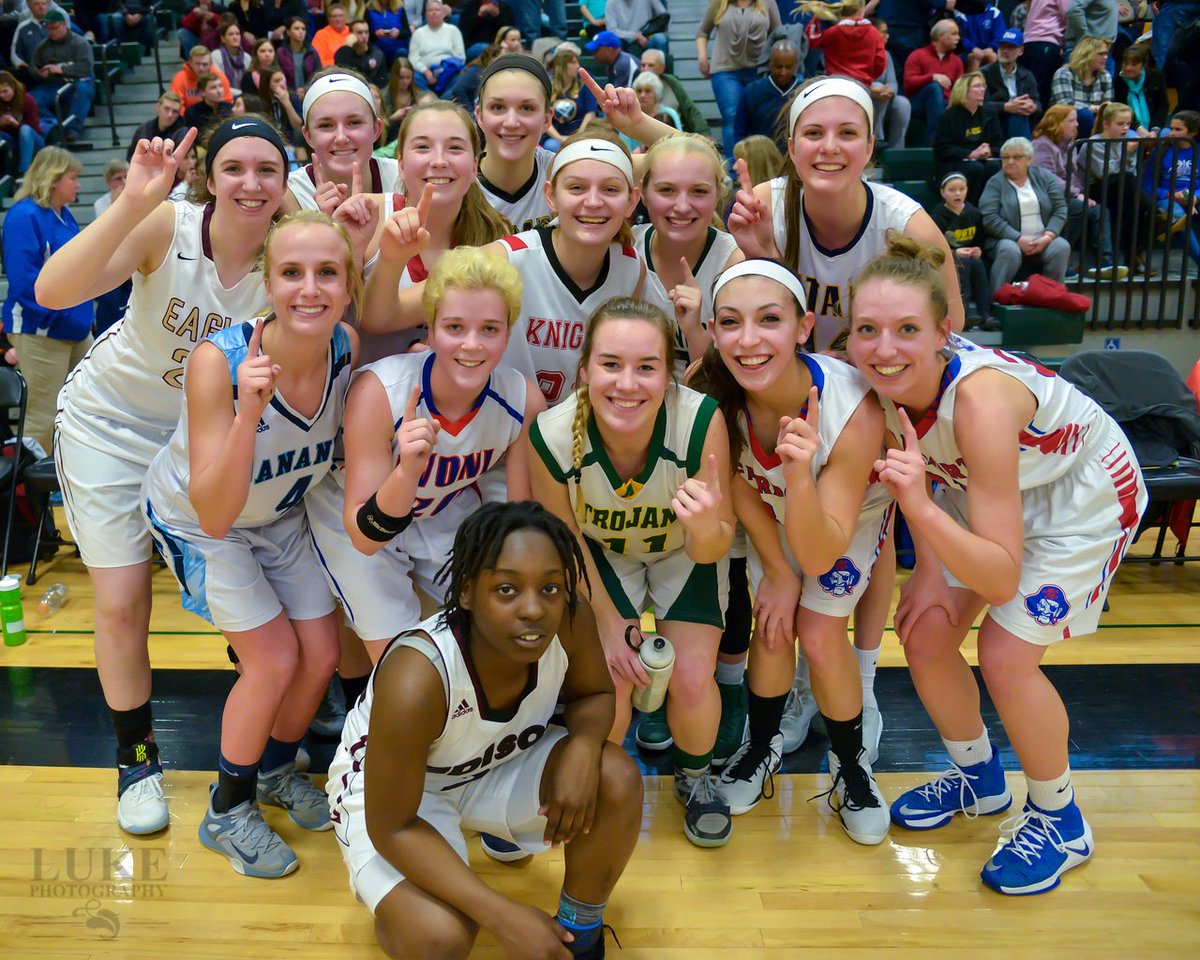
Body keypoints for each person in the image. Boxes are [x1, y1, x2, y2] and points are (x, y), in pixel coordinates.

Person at [847, 234, 1146, 895]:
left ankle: (1061, 819)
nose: (884, 348)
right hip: (986, 490)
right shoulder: (880, 386)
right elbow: (932, 476)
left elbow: (999, 573)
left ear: (943, 334)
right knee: (925, 633)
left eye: (906, 329)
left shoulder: (980, 403)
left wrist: (922, 517)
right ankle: (979, 779)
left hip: (1080, 499)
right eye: (867, 329)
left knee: (1006, 655)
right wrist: (928, 570)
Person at [35, 119, 288, 838]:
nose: (250, 183)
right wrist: (132, 202)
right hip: (111, 426)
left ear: (285, 181)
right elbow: (53, 290)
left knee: (250, 599)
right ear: (208, 175)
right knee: (122, 602)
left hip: (207, 437)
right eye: (233, 168)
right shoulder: (167, 224)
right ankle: (137, 761)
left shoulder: (290, 251)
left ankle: (265, 746)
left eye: (266, 170)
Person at [326, 499, 642, 960]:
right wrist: (503, 915)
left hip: (491, 764)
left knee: (614, 776)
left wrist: (584, 744)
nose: (534, 608)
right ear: (468, 592)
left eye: (550, 588)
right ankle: (396, 905)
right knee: (438, 937)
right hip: (395, 799)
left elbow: (593, 695)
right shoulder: (417, 676)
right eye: (507, 589)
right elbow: (392, 826)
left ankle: (580, 938)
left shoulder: (570, 619)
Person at [143, 210, 358, 878]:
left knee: (321, 654)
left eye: (328, 272)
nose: (310, 289)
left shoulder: (346, 348)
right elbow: (213, 514)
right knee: (272, 660)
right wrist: (249, 417)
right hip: (202, 519)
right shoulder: (219, 362)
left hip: (279, 513)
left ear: (349, 284)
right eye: (292, 272)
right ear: (268, 282)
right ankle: (226, 809)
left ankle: (273, 771)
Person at [700, 258, 893, 844]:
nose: (748, 340)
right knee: (772, 625)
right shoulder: (708, 389)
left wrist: (798, 476)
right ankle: (762, 747)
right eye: (730, 322)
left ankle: (851, 766)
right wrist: (778, 573)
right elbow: (734, 481)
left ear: (803, 326)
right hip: (770, 506)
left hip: (845, 518)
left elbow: (821, 552)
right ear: (711, 330)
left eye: (769, 320)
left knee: (820, 630)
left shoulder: (852, 406)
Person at [529, 300, 734, 849]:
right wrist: (606, 618)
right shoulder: (551, 434)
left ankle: (696, 777)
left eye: (646, 366)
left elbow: (716, 546)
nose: (627, 383)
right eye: (611, 364)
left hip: (683, 552)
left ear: (669, 375)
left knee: (691, 676)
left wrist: (704, 527)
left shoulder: (700, 422)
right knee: (613, 677)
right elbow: (564, 540)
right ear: (584, 370)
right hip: (600, 555)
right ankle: (601, 779)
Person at [311, 245, 541, 667]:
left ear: (508, 334)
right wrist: (406, 473)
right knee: (404, 665)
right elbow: (365, 538)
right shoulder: (379, 393)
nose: (471, 344)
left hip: (442, 510)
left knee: (488, 641)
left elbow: (521, 520)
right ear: (430, 330)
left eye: (490, 329)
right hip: (358, 516)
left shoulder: (522, 401)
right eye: (455, 327)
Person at [729, 76, 966, 353]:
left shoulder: (908, 225)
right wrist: (765, 260)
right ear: (792, 148)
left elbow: (952, 329)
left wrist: (859, 358)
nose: (829, 147)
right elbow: (732, 328)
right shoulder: (767, 206)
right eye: (814, 133)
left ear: (869, 147)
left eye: (847, 133)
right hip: (785, 375)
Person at [1, 146, 91, 455]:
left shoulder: (64, 215)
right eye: (72, 177)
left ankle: (70, 469)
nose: (78, 184)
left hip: (75, 327)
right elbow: (23, 280)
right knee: (42, 415)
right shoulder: (23, 215)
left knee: (86, 402)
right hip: (41, 328)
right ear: (53, 179)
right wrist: (58, 315)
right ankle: (29, 481)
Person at [632, 134, 743, 378]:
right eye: (666, 190)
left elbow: (732, 380)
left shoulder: (734, 262)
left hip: (708, 398)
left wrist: (694, 331)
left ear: (718, 194)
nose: (682, 206)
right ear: (642, 193)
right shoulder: (625, 249)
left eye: (698, 191)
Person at [283, 70, 401, 214]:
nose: (341, 138)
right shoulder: (291, 193)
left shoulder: (402, 177)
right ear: (308, 136)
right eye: (326, 125)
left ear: (376, 129)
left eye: (354, 122)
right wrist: (325, 222)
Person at [1030, 103, 1123, 278]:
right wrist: (1076, 193)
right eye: (1072, 121)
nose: (1077, 125)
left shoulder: (1070, 143)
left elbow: (1074, 175)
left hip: (1068, 194)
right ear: (1057, 123)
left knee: (1100, 210)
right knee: (1080, 208)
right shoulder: (1043, 144)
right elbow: (1047, 177)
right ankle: (1057, 258)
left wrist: (1082, 192)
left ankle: (1105, 263)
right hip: (1047, 196)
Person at [980, 136, 1071, 291]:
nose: (1010, 162)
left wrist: (1048, 237)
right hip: (1008, 239)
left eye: (1017, 157)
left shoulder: (1044, 176)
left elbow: (1060, 208)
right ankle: (997, 297)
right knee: (1009, 250)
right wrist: (1018, 238)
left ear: (1029, 159)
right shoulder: (995, 183)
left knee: (1061, 246)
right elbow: (990, 217)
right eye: (1005, 157)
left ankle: (1053, 295)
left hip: (1042, 238)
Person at [696, 0, 784, 158]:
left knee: (759, 117)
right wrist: (702, 57)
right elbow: (703, 32)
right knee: (732, 115)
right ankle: (734, 166)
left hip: (759, 69)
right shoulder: (719, 3)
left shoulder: (768, 2)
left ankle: (759, 165)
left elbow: (779, 34)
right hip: (725, 70)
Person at [931, 172, 995, 329]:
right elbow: (933, 247)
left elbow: (980, 239)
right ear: (942, 193)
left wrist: (978, 249)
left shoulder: (974, 214)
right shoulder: (937, 217)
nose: (957, 193)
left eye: (961, 189)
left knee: (978, 264)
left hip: (969, 258)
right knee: (964, 263)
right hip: (946, 259)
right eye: (952, 190)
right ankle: (963, 315)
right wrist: (954, 253)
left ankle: (985, 314)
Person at [933, 72, 1003, 205]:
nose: (982, 89)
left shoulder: (989, 113)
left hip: (983, 160)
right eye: (977, 86)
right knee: (975, 168)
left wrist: (989, 151)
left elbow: (998, 143)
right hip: (954, 162)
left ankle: (989, 207)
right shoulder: (948, 116)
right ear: (964, 90)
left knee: (993, 166)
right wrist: (971, 154)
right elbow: (942, 148)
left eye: (983, 86)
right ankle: (969, 208)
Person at [1144, 110, 1200, 265]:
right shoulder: (1161, 151)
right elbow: (1147, 185)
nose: (1171, 133)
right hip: (1167, 198)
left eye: (1178, 129)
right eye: (1171, 128)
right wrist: (1171, 195)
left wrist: (1194, 197)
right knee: (1179, 215)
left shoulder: (1198, 151)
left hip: (1195, 196)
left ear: (1193, 132)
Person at [29, 8, 93, 141]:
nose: (51, 32)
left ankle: (73, 129)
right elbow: (33, 67)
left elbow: (86, 67)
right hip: (53, 83)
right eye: (48, 29)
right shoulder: (43, 46)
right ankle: (56, 127)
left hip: (77, 81)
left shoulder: (80, 43)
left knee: (83, 90)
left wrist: (61, 70)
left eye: (55, 28)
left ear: (64, 25)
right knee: (32, 100)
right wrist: (39, 73)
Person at [800, 1, 886, 86]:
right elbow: (880, 63)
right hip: (863, 85)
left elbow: (811, 39)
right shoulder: (874, 33)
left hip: (836, 84)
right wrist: (868, 77)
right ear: (861, 10)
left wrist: (816, 17)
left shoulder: (834, 32)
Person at [902, 18, 963, 135]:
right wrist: (932, 77)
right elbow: (908, 83)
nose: (958, 38)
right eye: (954, 34)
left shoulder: (957, 61)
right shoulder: (917, 55)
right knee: (934, 87)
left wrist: (953, 101)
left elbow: (960, 88)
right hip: (919, 102)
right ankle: (935, 137)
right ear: (940, 36)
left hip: (946, 102)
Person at [734, 39, 799, 148]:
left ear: (796, 66)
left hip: (794, 155)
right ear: (770, 64)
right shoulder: (752, 91)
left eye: (788, 67)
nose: (783, 72)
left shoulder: (803, 92)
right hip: (760, 154)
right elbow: (740, 131)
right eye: (779, 67)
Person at [981, 29, 1041, 139]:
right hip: (994, 122)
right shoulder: (984, 74)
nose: (1005, 51)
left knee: (1020, 115)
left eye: (1010, 47)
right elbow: (980, 105)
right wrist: (1006, 107)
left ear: (1021, 51)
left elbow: (1038, 104)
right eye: (1002, 46)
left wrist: (1032, 106)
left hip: (1020, 120)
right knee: (1018, 116)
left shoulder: (1027, 75)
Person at [1049, 35, 1111, 138]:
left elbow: (1107, 107)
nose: (1106, 57)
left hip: (1096, 122)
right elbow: (1065, 104)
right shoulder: (1064, 73)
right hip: (1063, 122)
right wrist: (1093, 108)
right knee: (1085, 116)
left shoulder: (1105, 75)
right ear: (1087, 55)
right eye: (1101, 54)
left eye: (1106, 53)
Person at [638, 48, 710, 137]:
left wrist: (704, 133)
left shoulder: (672, 83)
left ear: (662, 68)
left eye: (650, 65)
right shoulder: (635, 86)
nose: (645, 69)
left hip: (674, 136)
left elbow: (690, 110)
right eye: (643, 65)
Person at [868, 18, 911, 151]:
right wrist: (872, 89)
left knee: (902, 103)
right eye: (884, 32)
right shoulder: (858, 52)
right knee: (877, 86)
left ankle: (897, 150)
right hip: (864, 97)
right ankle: (876, 136)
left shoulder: (886, 54)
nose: (887, 36)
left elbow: (892, 83)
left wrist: (890, 91)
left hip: (883, 100)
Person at [1021, 0, 1069, 112]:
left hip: (1028, 41)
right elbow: (1069, 13)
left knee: (1028, 88)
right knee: (1042, 91)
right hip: (1046, 39)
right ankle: (1039, 121)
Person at [546, 44, 597, 150]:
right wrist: (560, 138)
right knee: (551, 146)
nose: (578, 66)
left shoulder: (583, 85)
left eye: (578, 62)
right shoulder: (548, 86)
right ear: (562, 66)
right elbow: (543, 117)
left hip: (581, 134)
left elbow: (590, 113)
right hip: (555, 137)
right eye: (573, 63)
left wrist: (578, 135)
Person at [408, 1, 465, 92]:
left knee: (460, 77)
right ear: (426, 15)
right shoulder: (418, 34)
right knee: (413, 76)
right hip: (425, 73)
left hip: (449, 71)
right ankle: (429, 98)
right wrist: (425, 71)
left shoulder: (453, 31)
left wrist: (446, 71)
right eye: (430, 10)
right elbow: (413, 58)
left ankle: (445, 99)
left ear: (443, 14)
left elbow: (461, 57)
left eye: (437, 10)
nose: (433, 12)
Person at [1113, 43, 1167, 135]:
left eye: (1133, 64)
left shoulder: (1156, 77)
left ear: (1142, 65)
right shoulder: (1119, 80)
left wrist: (1155, 130)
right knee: (1132, 137)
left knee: (1167, 133)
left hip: (1154, 127)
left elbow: (1162, 106)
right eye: (1125, 64)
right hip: (1128, 128)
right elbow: (1119, 109)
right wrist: (1138, 128)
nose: (1128, 68)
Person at [0, 71, 44, 173]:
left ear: (13, 87)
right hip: (11, 140)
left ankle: (25, 171)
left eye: (5, 91)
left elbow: (33, 127)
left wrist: (16, 124)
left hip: (33, 139)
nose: (2, 95)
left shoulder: (27, 100)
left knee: (25, 129)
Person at [260, 66, 307, 155]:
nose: (281, 83)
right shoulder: (261, 102)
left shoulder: (293, 98)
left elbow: (298, 126)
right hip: (270, 142)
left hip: (291, 142)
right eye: (277, 81)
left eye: (282, 79)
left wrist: (286, 103)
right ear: (267, 84)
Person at [171, 45, 234, 110]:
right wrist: (188, 115)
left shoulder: (219, 76)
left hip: (218, 114)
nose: (201, 68)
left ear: (211, 64)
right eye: (197, 64)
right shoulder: (180, 78)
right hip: (189, 115)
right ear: (190, 63)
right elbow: (176, 105)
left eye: (205, 64)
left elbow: (228, 101)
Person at [335, 17, 389, 86]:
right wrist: (348, 46)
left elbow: (382, 81)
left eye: (366, 32)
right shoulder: (344, 52)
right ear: (351, 35)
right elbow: (342, 74)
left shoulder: (377, 54)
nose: (364, 36)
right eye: (359, 32)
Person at [954, 0, 1006, 72]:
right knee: (975, 57)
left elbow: (1000, 35)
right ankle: (973, 79)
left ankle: (992, 79)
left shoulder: (994, 12)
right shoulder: (961, 13)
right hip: (968, 52)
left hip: (990, 51)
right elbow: (960, 36)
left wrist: (991, 48)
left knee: (992, 57)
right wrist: (973, 48)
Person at [277, 16, 322, 96]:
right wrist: (293, 92)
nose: (301, 32)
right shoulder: (281, 53)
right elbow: (278, 78)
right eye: (296, 28)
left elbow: (318, 76)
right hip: (287, 94)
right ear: (288, 32)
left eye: (303, 29)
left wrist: (306, 90)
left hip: (310, 94)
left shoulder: (312, 52)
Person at [629, 72, 681, 141]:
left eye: (647, 91)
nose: (642, 95)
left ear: (657, 94)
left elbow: (681, 140)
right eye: (639, 91)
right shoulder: (629, 116)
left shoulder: (670, 114)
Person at [604, 0, 668, 54]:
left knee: (660, 39)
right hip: (624, 39)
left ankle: (660, 64)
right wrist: (635, 36)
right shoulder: (611, 2)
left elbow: (663, 16)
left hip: (647, 36)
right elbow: (611, 30)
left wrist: (651, 32)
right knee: (615, 42)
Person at [384, 56, 418, 141]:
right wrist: (392, 118)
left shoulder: (416, 95)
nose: (405, 82)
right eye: (401, 77)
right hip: (390, 140)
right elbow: (377, 127)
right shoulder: (384, 96)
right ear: (394, 76)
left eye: (408, 77)